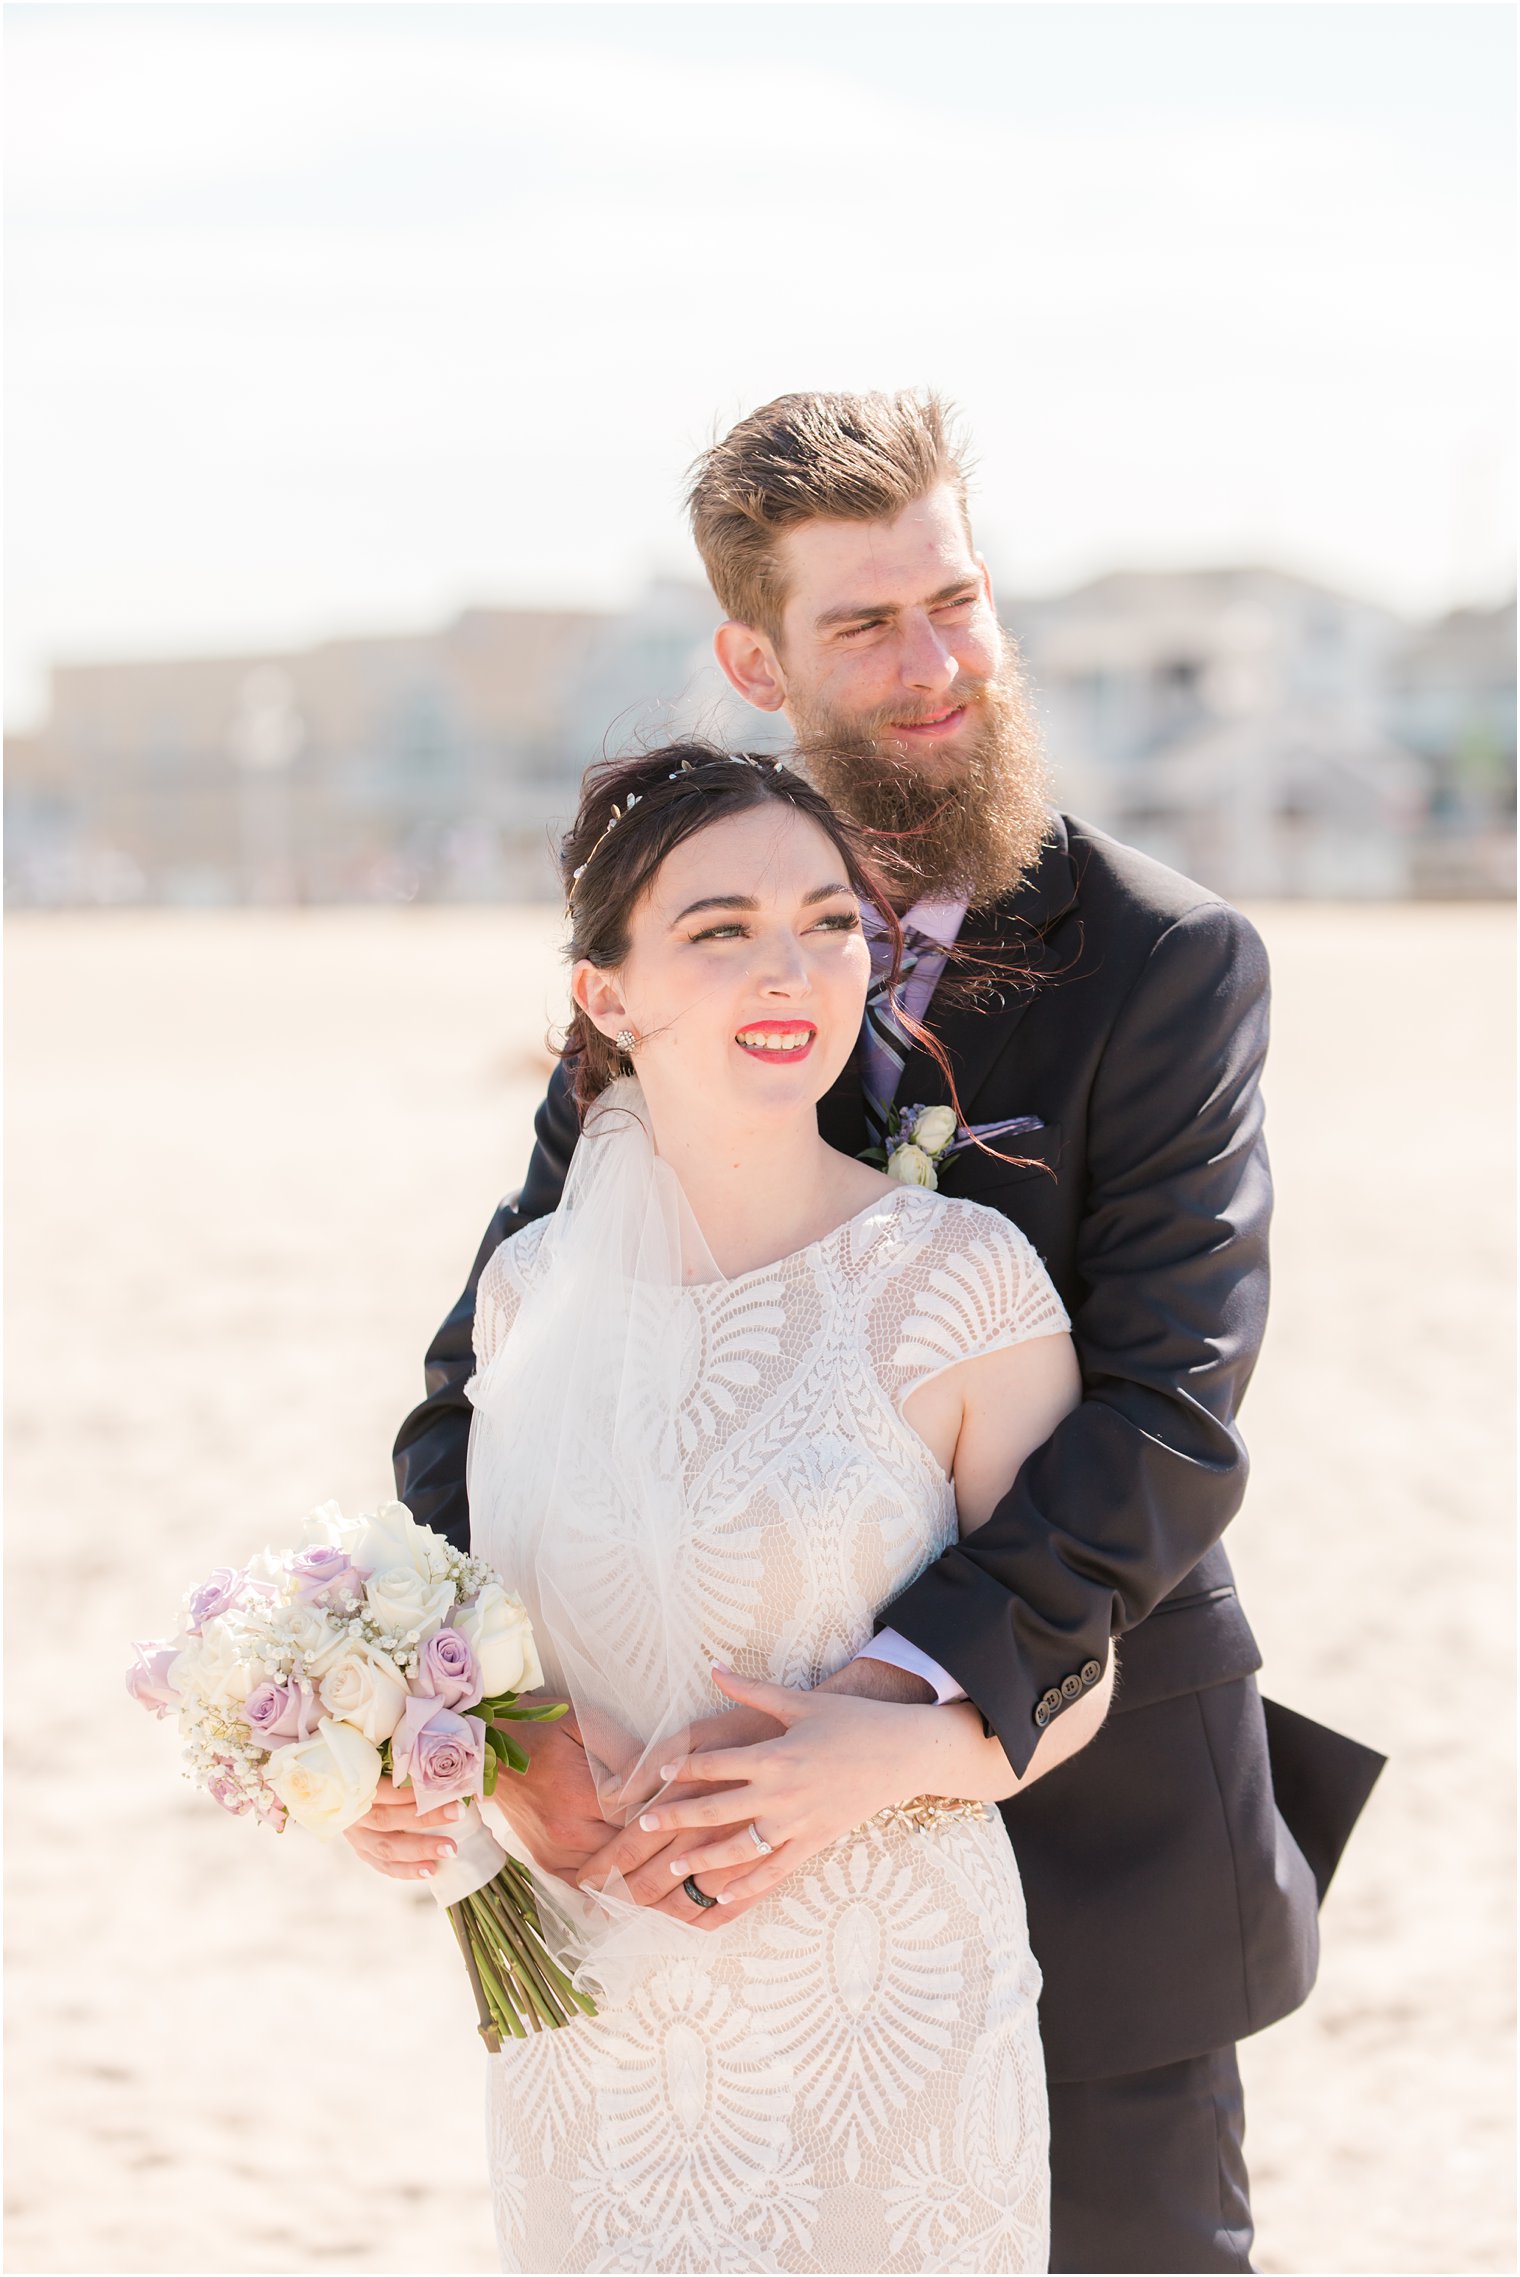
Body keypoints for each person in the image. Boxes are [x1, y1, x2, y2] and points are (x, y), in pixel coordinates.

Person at [376, 391, 1384, 2273]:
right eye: (864, 625)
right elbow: (479, 1395)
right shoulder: (676, 954)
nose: (936, 667)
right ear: (754, 656)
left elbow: (1171, 1410)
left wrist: (898, 1716)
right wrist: (506, 1714)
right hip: (683, 1892)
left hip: (1085, 1810)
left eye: (959, 601)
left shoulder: (1168, 962)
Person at [433, 741, 1107, 2271]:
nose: (788, 966)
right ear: (611, 997)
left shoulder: (963, 1282)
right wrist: (447, 1768)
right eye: (719, 929)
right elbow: (489, 1651)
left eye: (826, 920)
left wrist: (884, 1756)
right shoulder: (526, 1292)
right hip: (591, 2026)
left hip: (895, 2029)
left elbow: (1075, 1670)